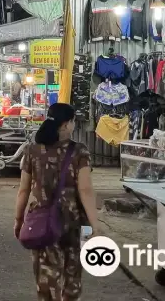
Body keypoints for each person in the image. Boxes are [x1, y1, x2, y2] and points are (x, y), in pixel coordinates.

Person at [15, 103, 98, 301]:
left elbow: (24, 190)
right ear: (65, 125)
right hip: (73, 222)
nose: (73, 126)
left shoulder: (32, 150)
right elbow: (85, 190)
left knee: (44, 276)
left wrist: (18, 220)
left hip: (42, 222)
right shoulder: (80, 151)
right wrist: (96, 225)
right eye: (73, 122)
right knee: (72, 274)